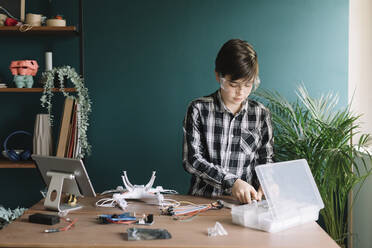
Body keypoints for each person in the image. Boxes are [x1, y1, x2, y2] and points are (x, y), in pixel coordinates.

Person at [182, 39, 274, 204]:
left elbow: (265, 159)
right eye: (234, 84)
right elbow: (192, 160)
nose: (241, 92)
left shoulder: (261, 114)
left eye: (248, 85)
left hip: (245, 206)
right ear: (218, 76)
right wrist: (232, 182)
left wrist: (267, 182)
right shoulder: (198, 109)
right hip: (203, 202)